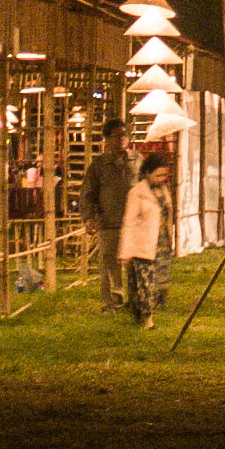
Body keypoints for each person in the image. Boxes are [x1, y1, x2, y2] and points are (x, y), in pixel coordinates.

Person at [117, 141, 175, 328]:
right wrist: (125, 251)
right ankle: (147, 319)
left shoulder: (164, 191)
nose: (162, 178)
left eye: (164, 175)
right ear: (148, 173)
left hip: (162, 243)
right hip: (143, 244)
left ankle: (141, 313)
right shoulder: (137, 193)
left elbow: (168, 215)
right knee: (145, 283)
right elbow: (129, 222)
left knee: (158, 283)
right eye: (158, 175)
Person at [85, 131, 136, 309]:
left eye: (123, 135)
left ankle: (133, 299)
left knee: (134, 263)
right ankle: (109, 301)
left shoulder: (137, 160)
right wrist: (89, 217)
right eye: (115, 135)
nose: (121, 139)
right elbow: (88, 193)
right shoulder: (99, 164)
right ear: (107, 140)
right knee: (108, 262)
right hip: (108, 221)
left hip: (133, 223)